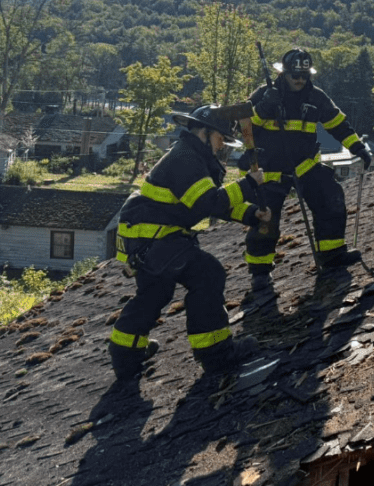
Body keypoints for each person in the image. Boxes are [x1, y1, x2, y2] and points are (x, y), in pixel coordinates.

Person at [107, 104, 272, 381]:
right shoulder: (186, 159)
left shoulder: (190, 155)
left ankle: (126, 355)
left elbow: (211, 203)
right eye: (220, 139)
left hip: (147, 237)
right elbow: (207, 203)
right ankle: (216, 354)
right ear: (204, 132)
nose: (221, 147)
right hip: (157, 236)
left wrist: (250, 213)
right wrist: (248, 185)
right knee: (207, 274)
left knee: (154, 294)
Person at [242, 48, 372, 289]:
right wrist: (262, 111)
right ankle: (259, 271)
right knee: (266, 218)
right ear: (283, 73)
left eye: (304, 75)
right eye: (295, 75)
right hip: (270, 169)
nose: (300, 80)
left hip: (305, 164)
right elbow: (243, 128)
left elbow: (337, 124)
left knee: (330, 197)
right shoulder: (264, 94)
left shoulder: (317, 97)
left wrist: (358, 148)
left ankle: (332, 255)